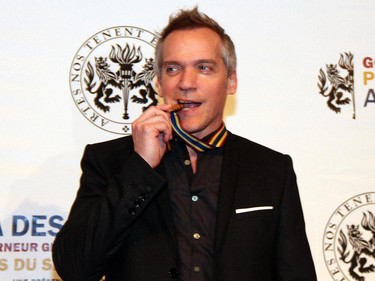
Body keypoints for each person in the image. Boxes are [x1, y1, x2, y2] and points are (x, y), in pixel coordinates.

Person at [52, 7, 317, 281]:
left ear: (230, 81)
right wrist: (140, 166)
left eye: (203, 68)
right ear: (159, 83)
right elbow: (74, 267)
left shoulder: (272, 169)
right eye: (173, 68)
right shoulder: (109, 160)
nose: (186, 83)